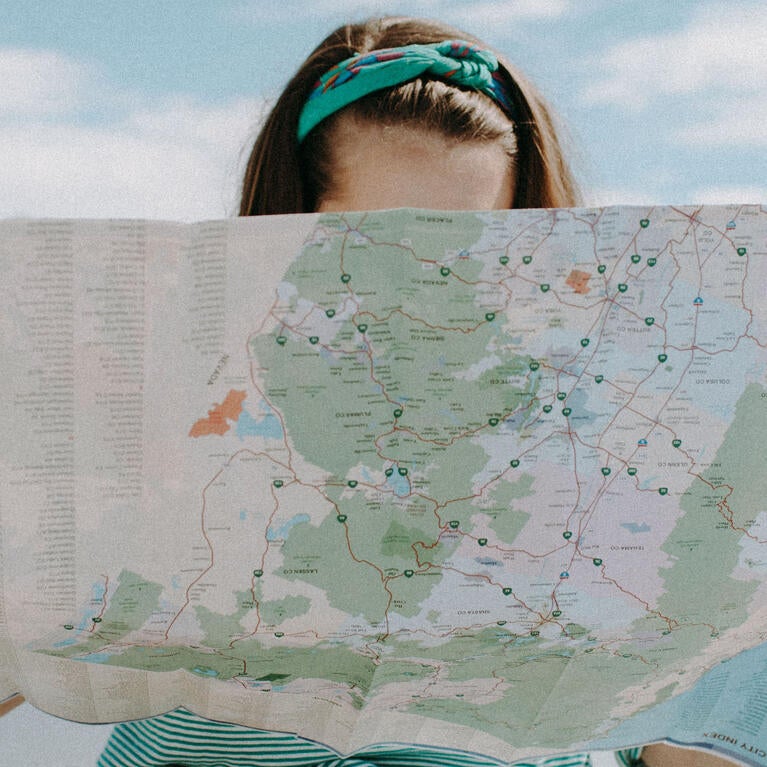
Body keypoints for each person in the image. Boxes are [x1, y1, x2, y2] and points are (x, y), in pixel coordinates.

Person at [32, 14, 739, 767]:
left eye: (464, 246)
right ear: (284, 227)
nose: (413, 285)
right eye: (369, 239)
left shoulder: (629, 462)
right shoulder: (189, 434)